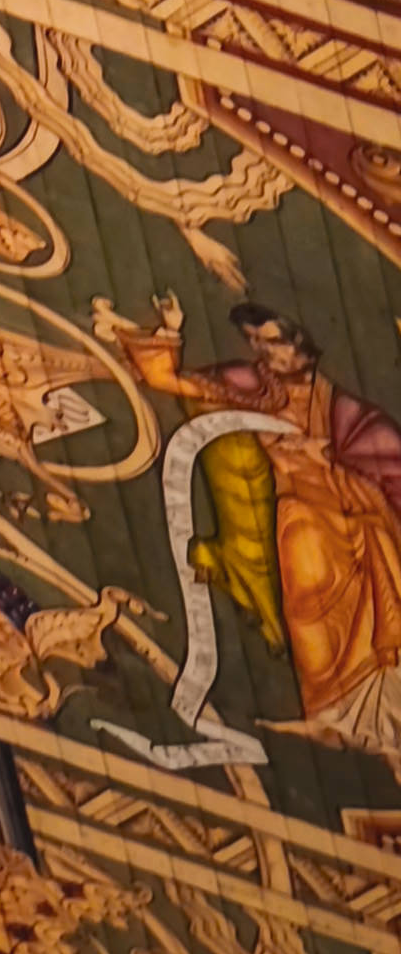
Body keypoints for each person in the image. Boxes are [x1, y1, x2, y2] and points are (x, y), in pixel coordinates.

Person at [113, 302, 401, 761]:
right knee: (304, 588)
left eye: (274, 341)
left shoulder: (348, 412)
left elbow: (385, 461)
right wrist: (170, 330)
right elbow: (170, 380)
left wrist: (328, 461)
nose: (264, 352)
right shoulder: (247, 383)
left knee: (375, 556)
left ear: (302, 344)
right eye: (255, 342)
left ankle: (383, 711)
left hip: (352, 513)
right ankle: (332, 712)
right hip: (295, 513)